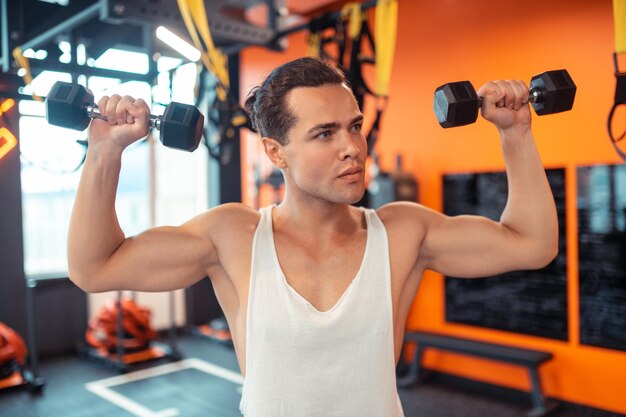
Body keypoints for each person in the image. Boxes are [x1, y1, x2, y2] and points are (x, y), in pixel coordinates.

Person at [67, 57, 558, 417]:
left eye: (355, 127)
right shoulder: (233, 236)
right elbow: (96, 267)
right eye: (324, 134)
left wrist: (516, 134)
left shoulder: (404, 232)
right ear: (275, 152)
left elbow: (531, 243)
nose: (352, 148)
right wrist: (106, 151)